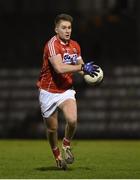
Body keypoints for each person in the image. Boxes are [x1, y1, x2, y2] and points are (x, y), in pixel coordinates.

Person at [37, 13, 99, 170]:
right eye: (63, 27)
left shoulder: (75, 46)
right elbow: (59, 68)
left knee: (72, 120)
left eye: (69, 27)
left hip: (66, 90)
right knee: (52, 129)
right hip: (48, 91)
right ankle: (57, 155)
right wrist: (82, 68)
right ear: (56, 29)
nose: (67, 30)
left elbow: (80, 66)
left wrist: (90, 73)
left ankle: (66, 144)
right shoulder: (52, 44)